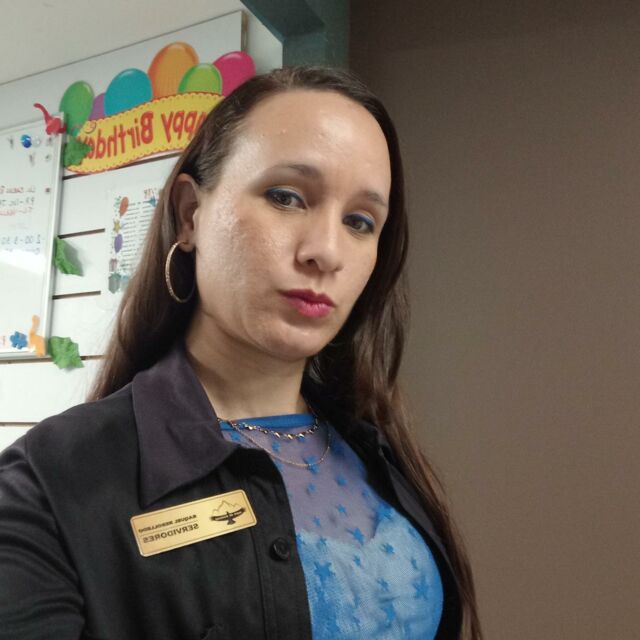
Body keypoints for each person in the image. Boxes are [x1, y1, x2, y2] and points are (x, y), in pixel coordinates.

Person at [0, 66, 482, 639]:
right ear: (190, 214)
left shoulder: (376, 451)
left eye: (359, 222)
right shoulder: (50, 486)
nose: (326, 251)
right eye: (286, 197)